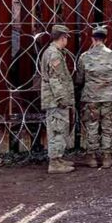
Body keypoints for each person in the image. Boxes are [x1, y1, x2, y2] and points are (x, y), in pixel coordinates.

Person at [75, 26, 112, 169]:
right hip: (109, 97)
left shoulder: (85, 56)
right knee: (108, 126)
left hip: (91, 97)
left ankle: (92, 158)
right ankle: (107, 157)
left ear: (92, 38)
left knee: (92, 126)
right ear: (105, 39)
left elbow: (79, 79)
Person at [40, 25, 75, 174]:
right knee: (57, 129)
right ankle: (54, 163)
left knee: (59, 128)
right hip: (56, 100)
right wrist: (62, 99)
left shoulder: (53, 52)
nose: (67, 40)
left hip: (53, 99)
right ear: (63, 37)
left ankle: (58, 158)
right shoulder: (54, 54)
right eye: (66, 37)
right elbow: (56, 79)